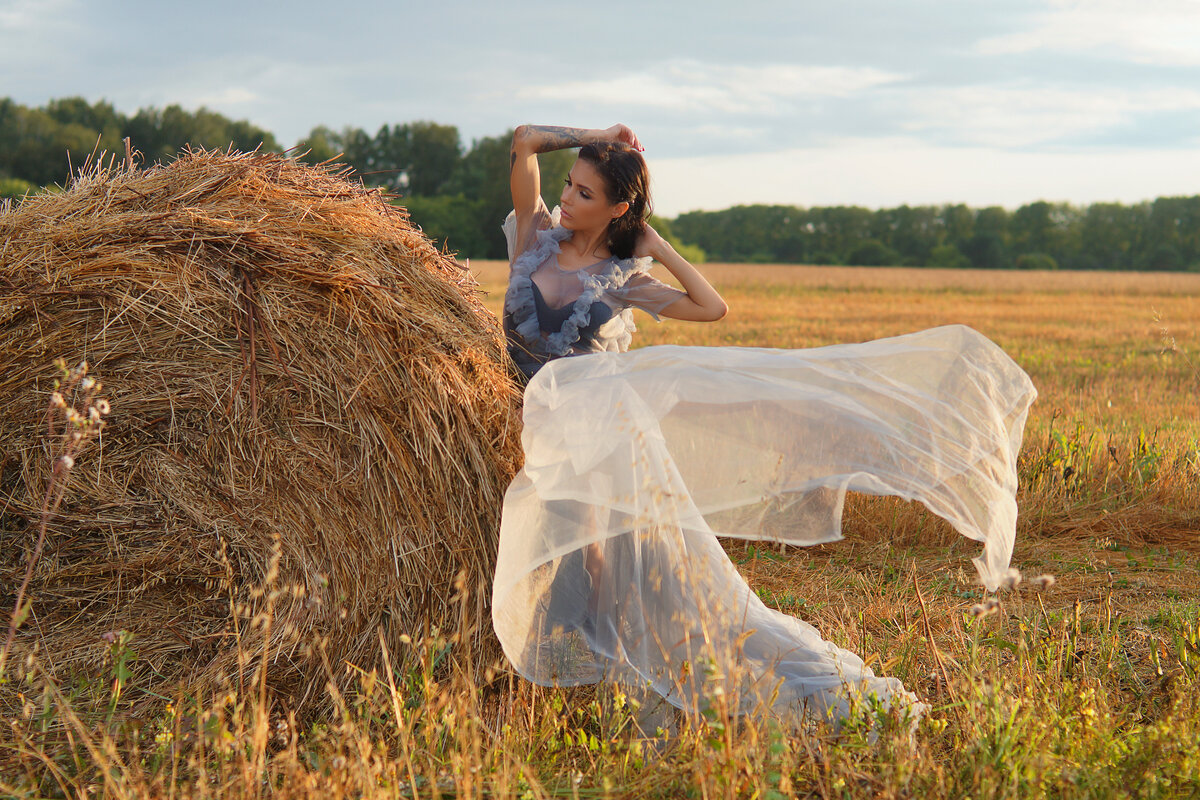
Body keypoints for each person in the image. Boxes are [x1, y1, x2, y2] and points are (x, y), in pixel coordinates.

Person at [491, 123, 1037, 731]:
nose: (567, 198)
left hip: (595, 432)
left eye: (585, 194)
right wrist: (598, 135)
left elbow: (710, 306)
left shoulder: (624, 279)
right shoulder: (536, 236)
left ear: (618, 209)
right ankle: (597, 673)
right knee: (589, 563)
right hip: (522, 412)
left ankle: (634, 680)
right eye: (569, 184)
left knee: (602, 565)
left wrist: (658, 246)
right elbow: (524, 139)